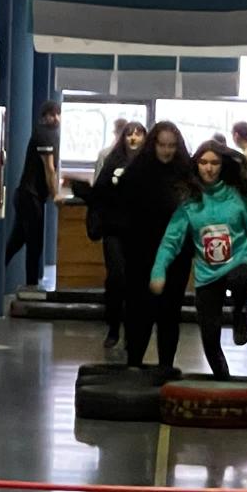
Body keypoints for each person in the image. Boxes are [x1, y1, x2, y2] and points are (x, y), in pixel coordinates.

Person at [150, 140, 247, 379]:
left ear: (223, 165)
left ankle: (240, 311)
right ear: (196, 165)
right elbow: (170, 241)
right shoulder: (190, 203)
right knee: (209, 337)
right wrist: (159, 271)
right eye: (203, 162)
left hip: (238, 261)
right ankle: (222, 379)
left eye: (214, 163)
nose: (209, 168)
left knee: (239, 278)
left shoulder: (237, 197)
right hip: (207, 273)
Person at [70, 122, 147, 349]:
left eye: (138, 134)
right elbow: (99, 193)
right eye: (129, 134)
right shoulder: (112, 161)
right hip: (114, 230)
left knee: (136, 281)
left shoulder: (149, 164)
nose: (133, 138)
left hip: (140, 232)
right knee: (116, 277)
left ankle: (132, 330)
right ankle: (113, 326)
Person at [5, 100, 61, 289]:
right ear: (44, 117)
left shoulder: (49, 134)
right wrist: (55, 195)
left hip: (27, 196)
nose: (56, 118)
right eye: (51, 115)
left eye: (58, 114)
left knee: (17, 241)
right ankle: (31, 286)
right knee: (34, 244)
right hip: (30, 197)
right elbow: (49, 169)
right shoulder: (45, 135)